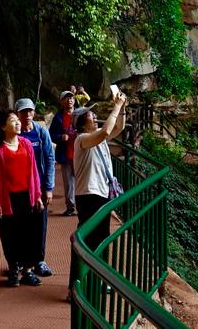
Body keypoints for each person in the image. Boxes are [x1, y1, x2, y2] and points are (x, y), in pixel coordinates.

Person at [68, 91, 128, 297]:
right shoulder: (83, 139)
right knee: (86, 240)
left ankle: (98, 279)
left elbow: (118, 128)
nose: (95, 117)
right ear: (81, 123)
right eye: (90, 115)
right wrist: (116, 106)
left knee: (102, 239)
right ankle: (75, 285)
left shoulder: (97, 138)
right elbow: (105, 132)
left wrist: (123, 107)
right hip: (88, 196)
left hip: (101, 194)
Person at [0, 109, 44, 287]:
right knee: (10, 235)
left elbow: (34, 172)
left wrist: (38, 195)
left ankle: (28, 271)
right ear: (3, 126)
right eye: (13, 120)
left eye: (18, 120)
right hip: (7, 199)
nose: (18, 123)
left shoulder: (26, 144)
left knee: (29, 234)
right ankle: (13, 270)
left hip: (27, 196)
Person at [15, 98, 55, 276]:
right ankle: (21, 261)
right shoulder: (15, 134)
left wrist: (49, 187)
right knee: (21, 224)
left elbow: (50, 158)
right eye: (23, 112)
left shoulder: (40, 132)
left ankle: (39, 260)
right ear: (17, 114)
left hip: (39, 186)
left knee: (40, 224)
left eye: (30, 111)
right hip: (20, 187)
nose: (27, 115)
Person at [50, 90, 78, 216]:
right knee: (68, 182)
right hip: (65, 153)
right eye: (66, 98)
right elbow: (51, 134)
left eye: (71, 98)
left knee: (83, 180)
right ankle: (71, 207)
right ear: (61, 102)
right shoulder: (58, 118)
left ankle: (83, 206)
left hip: (80, 153)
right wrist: (61, 137)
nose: (69, 100)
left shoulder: (80, 114)